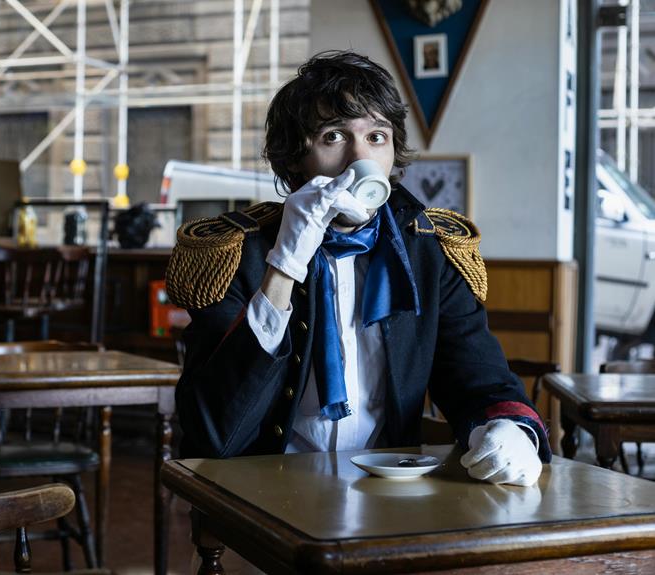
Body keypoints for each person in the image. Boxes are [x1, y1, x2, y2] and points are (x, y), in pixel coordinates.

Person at [166, 50, 549, 487]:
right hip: (265, 493)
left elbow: (479, 381)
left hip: (390, 494)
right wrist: (285, 265)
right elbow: (215, 435)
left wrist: (508, 430)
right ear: (294, 157)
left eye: (376, 137)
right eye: (333, 136)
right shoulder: (235, 255)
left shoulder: (430, 252)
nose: (358, 159)